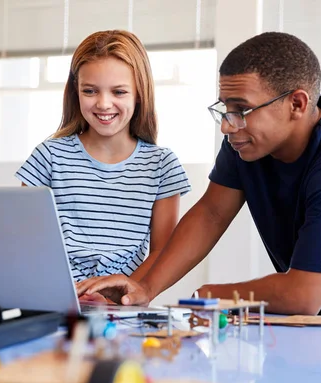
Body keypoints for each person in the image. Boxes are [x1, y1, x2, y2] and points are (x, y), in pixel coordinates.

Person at [76, 32, 321, 321]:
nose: (228, 125)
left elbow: (302, 294)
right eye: (225, 108)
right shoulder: (248, 140)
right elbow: (211, 213)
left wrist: (213, 292)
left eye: (241, 108)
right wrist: (144, 288)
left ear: (297, 103)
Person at [16, 30, 190, 301]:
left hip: (121, 307)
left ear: (139, 94)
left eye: (119, 91)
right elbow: (26, 242)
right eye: (90, 91)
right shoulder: (49, 156)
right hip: (54, 300)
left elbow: (162, 253)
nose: (103, 104)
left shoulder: (161, 165)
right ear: (76, 92)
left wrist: (121, 294)